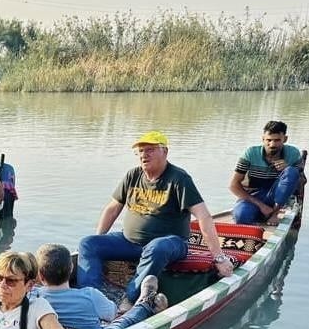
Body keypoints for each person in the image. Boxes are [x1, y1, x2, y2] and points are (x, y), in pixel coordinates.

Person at [76, 131, 234, 309]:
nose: (144, 155)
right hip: (129, 241)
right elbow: (112, 209)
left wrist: (219, 258)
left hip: (169, 244)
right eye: (141, 151)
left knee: (156, 247)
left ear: (164, 152)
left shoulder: (178, 178)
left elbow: (204, 216)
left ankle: (130, 298)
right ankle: (91, 298)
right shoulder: (133, 175)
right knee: (88, 243)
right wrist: (100, 238)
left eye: (150, 150)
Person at [31, 244, 168, 329]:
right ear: (72, 268)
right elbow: (112, 314)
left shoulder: (34, 297)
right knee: (125, 321)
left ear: (40, 276)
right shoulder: (89, 295)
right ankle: (146, 302)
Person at [229, 120, 304, 225]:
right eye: (268, 140)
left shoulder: (293, 153)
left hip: (278, 199)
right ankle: (261, 214)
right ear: (263, 139)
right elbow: (233, 185)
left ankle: (274, 214)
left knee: (292, 171)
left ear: (285, 139)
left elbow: (301, 183)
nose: (272, 144)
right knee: (242, 217)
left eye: (277, 140)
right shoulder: (250, 153)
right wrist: (261, 206)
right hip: (253, 197)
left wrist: (288, 168)